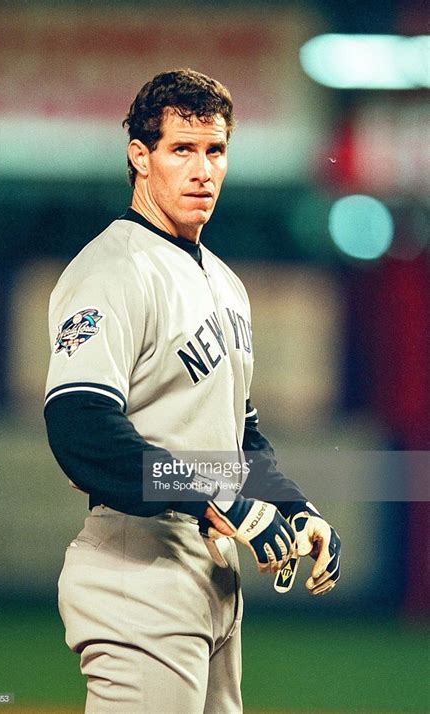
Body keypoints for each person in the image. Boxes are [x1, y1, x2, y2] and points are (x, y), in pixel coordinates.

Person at [44, 68, 341, 714]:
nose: (203, 169)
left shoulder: (226, 283)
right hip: (137, 571)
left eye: (215, 150)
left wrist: (294, 508)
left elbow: (240, 437)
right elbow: (81, 430)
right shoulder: (111, 270)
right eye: (182, 149)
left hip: (213, 582)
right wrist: (213, 496)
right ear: (139, 157)